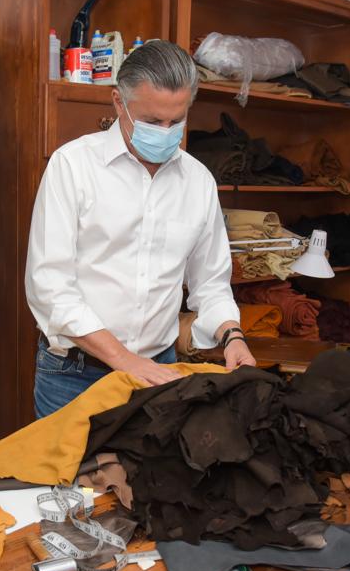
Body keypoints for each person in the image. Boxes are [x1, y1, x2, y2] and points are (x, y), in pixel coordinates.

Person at [25, 40, 256, 418]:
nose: (166, 132)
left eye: (176, 121)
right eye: (151, 122)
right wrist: (125, 361)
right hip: (74, 374)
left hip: (158, 369)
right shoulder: (74, 166)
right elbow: (51, 289)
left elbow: (210, 284)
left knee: (148, 477)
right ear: (119, 102)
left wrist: (232, 337)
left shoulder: (198, 182)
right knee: (69, 478)